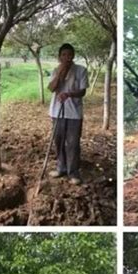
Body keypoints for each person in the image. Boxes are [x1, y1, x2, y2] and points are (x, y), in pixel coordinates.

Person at [48, 43, 89, 185]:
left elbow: (83, 91)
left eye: (69, 55)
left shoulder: (81, 70)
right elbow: (51, 88)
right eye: (64, 55)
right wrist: (60, 73)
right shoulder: (55, 70)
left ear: (73, 56)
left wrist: (69, 94)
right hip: (56, 111)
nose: (67, 57)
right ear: (59, 57)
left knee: (73, 143)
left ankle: (73, 172)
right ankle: (61, 168)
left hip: (74, 113)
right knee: (58, 141)